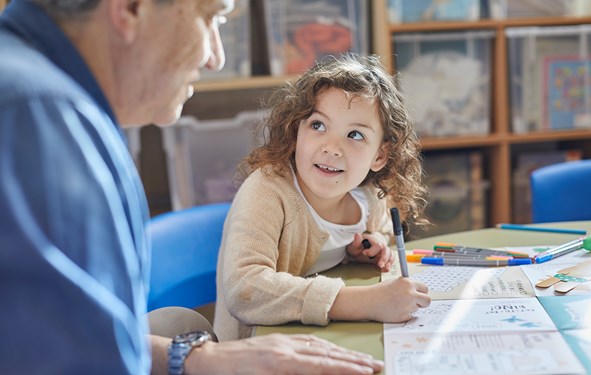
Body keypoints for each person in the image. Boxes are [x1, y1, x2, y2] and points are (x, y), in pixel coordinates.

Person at [0, 0, 384, 373]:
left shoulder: (46, 99)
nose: (215, 57)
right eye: (211, 18)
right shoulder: (36, 117)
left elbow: (72, 335)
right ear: (133, 7)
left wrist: (199, 359)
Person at [214, 54, 432, 341]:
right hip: (253, 355)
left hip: (325, 341)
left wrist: (373, 246)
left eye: (354, 134)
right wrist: (364, 302)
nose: (332, 148)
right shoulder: (266, 191)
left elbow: (383, 236)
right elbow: (245, 290)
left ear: (380, 155)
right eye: (318, 125)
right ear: (296, 132)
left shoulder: (370, 199)